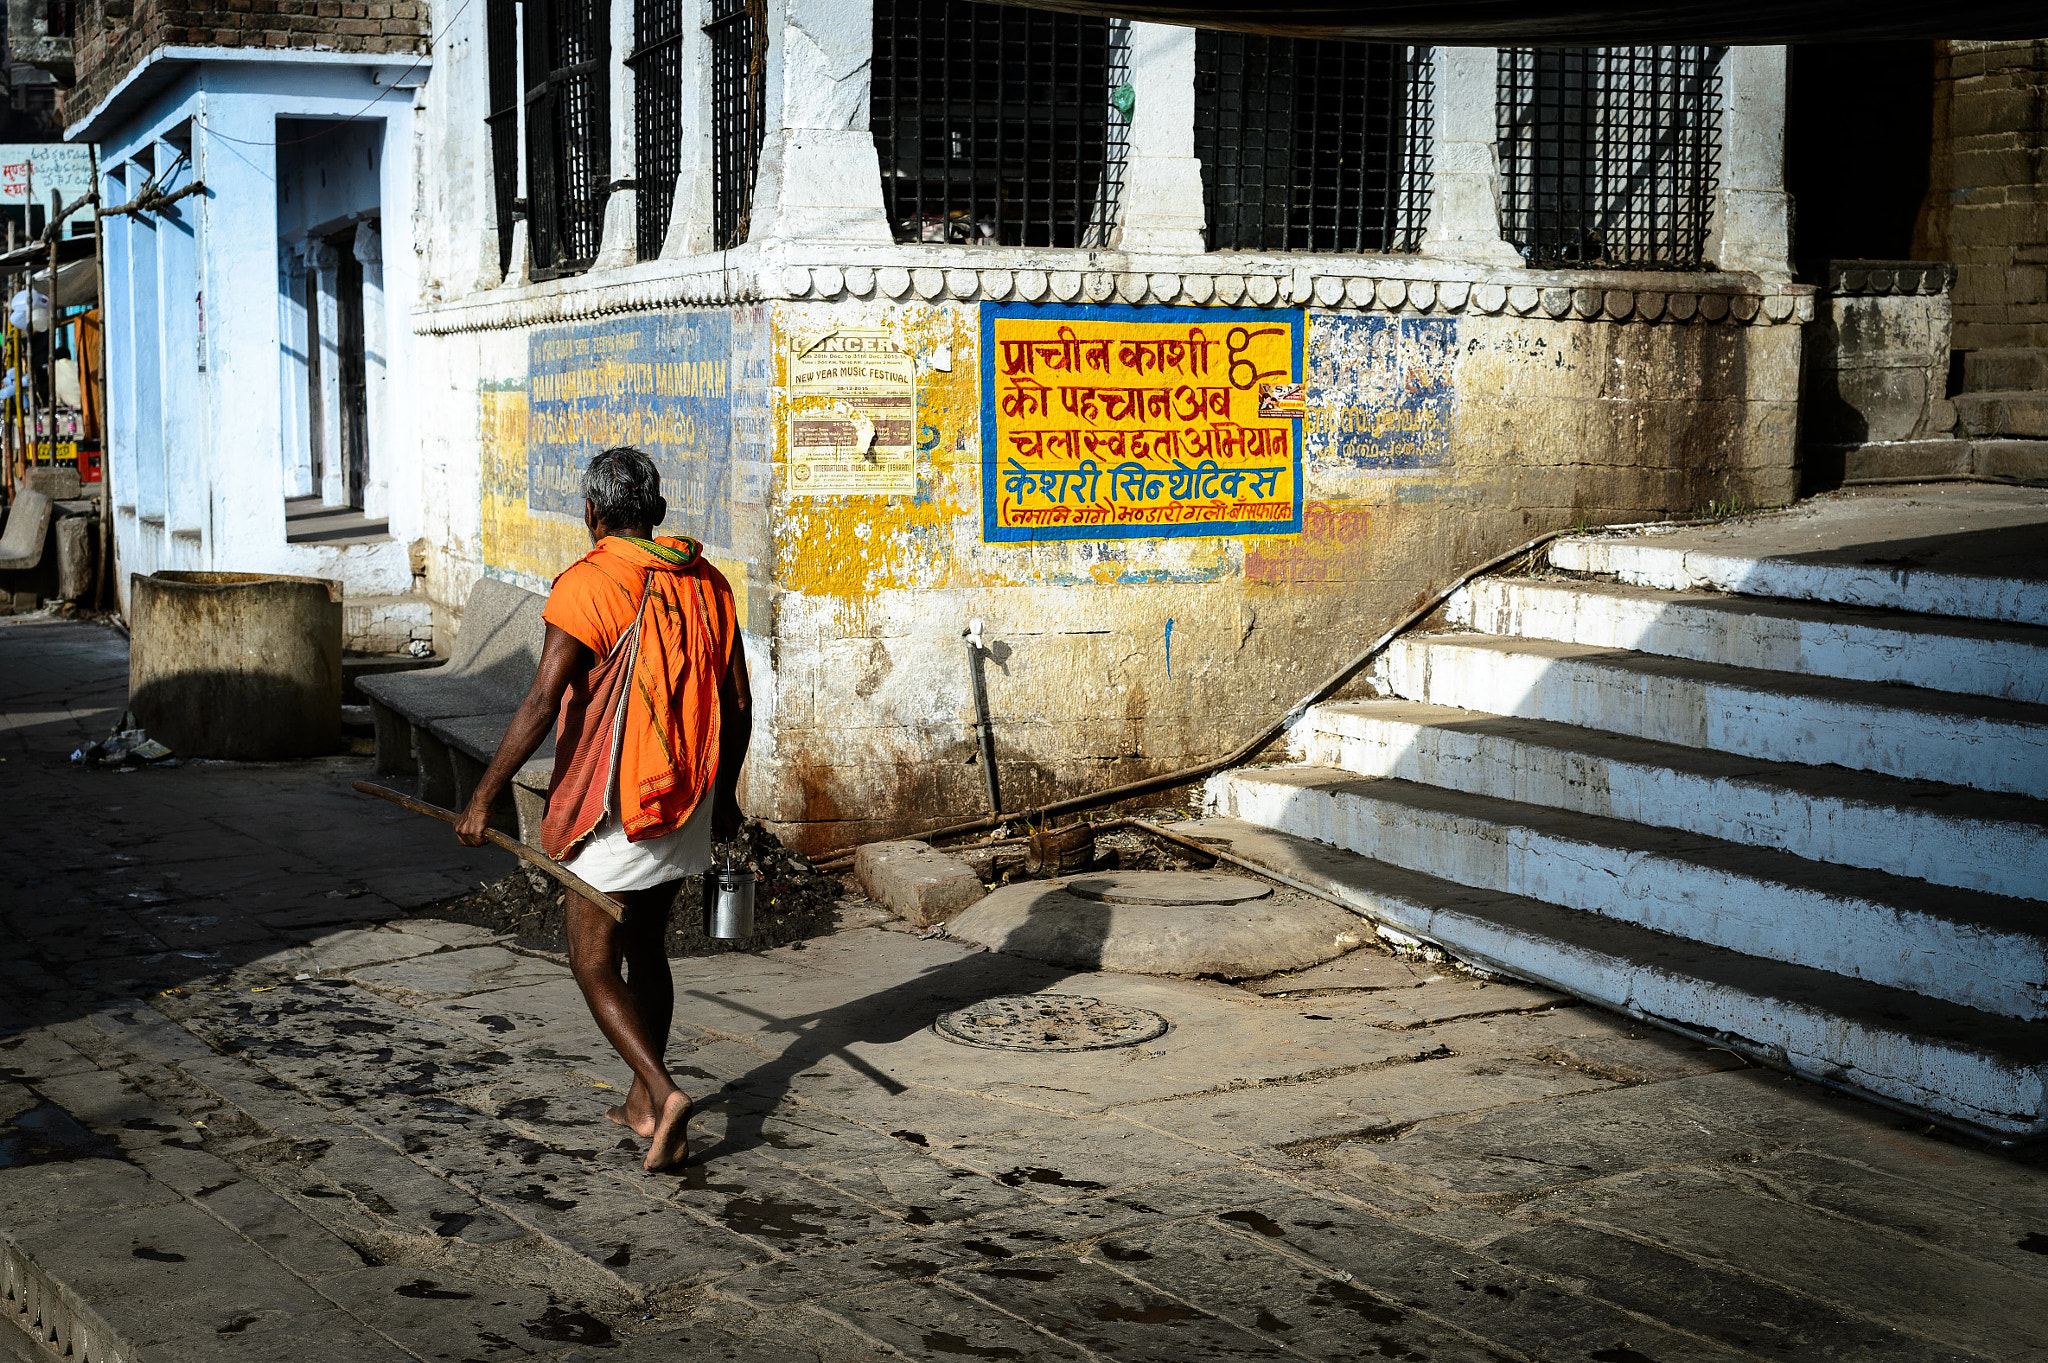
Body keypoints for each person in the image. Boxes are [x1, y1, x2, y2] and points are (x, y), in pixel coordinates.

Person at [455, 446, 750, 1173]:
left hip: (616, 804)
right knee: (645, 947)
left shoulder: (588, 584)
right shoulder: (708, 581)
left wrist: (484, 796)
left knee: (591, 961)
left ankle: (662, 1090)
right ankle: (643, 1104)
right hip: (686, 795)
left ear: (592, 514)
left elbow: (540, 701)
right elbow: (738, 705)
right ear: (655, 510)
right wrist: (728, 798)